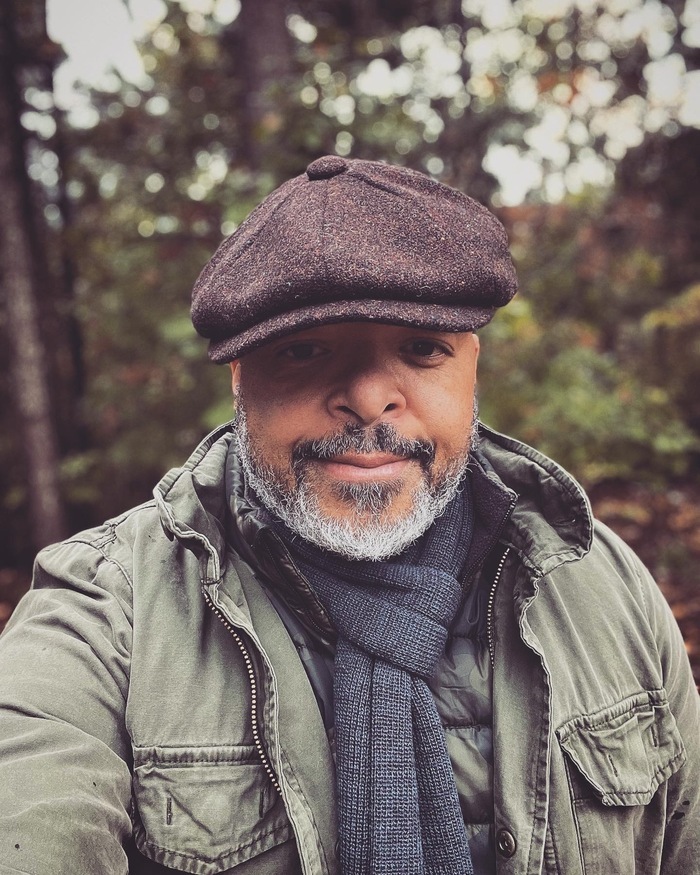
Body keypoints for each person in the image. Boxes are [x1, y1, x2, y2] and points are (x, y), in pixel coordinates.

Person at [0, 155, 697, 875]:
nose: (368, 398)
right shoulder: (106, 614)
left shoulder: (601, 582)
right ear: (239, 379)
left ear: (472, 366)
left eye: (421, 348)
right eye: (305, 350)